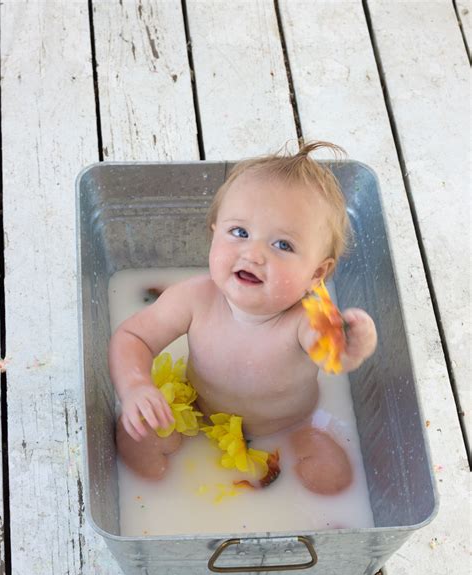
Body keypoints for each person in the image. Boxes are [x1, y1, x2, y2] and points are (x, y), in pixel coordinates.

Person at [109, 141, 377, 495]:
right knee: (135, 436)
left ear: (317, 275)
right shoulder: (194, 298)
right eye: (239, 233)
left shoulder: (303, 320)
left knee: (333, 479)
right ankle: (153, 491)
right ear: (214, 232)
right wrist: (135, 386)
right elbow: (133, 337)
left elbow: (332, 353)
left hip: (290, 425)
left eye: (283, 245)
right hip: (198, 412)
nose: (253, 254)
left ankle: (308, 446)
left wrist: (352, 344)